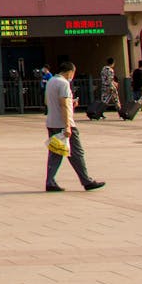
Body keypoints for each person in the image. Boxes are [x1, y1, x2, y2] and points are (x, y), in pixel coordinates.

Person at [44, 60, 105, 192]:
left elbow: (49, 102)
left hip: (51, 122)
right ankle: (86, 181)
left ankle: (50, 181)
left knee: (55, 153)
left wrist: (70, 104)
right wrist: (67, 126)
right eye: (73, 73)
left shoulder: (51, 82)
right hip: (64, 124)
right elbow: (64, 104)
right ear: (70, 72)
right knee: (76, 153)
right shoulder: (64, 83)